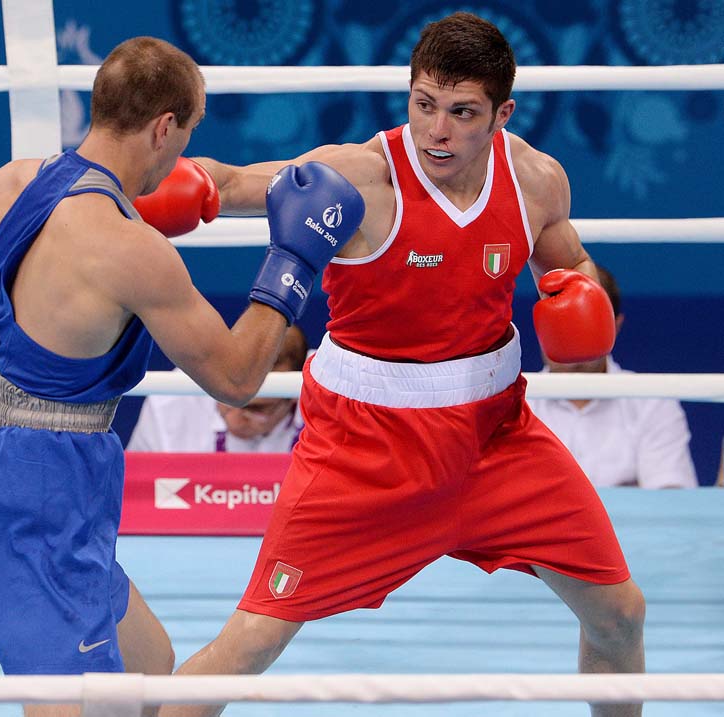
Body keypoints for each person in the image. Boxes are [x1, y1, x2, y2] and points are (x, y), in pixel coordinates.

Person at [145, 13, 646, 717]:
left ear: (502, 113)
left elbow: (569, 264)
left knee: (620, 612)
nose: (438, 130)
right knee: (250, 642)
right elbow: (226, 184)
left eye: (463, 112)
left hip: (497, 440)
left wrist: (582, 292)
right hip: (363, 450)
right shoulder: (363, 178)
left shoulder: (535, 180)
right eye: (424, 105)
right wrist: (133, 190)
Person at [0, 36, 364, 717]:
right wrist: (294, 259)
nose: (181, 156)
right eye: (184, 137)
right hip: (42, 495)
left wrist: (11, 375)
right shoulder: (132, 252)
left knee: (148, 669)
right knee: (79, 705)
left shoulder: (5, 185)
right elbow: (239, 378)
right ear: (163, 129)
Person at [528, 264, 698, 489]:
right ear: (541, 326)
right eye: (563, 323)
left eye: (586, 321)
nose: (574, 340)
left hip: (632, 525)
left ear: (614, 326)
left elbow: (671, 499)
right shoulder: (512, 404)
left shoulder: (652, 401)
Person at [127, 325, 308, 453]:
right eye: (228, 399)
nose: (237, 417)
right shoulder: (171, 400)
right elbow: (134, 492)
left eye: (256, 409)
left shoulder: (322, 388)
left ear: (293, 397)